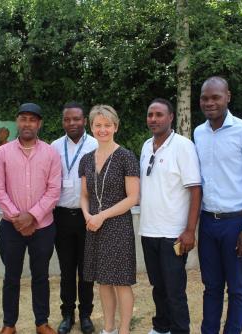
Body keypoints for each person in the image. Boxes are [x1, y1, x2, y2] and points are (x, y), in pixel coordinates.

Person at [194, 76, 242, 334]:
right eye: (205, 98)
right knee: (211, 286)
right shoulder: (198, 133)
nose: (209, 102)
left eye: (215, 97)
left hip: (236, 223)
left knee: (237, 288)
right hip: (207, 223)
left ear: (228, 97)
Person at [0, 102, 62, 334]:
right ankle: (9, 324)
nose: (27, 124)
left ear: (39, 124)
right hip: (11, 229)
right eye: (23, 119)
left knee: (41, 276)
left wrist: (32, 216)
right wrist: (17, 219)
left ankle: (41, 322)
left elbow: (54, 191)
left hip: (42, 227)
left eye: (32, 120)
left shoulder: (51, 153)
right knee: (11, 277)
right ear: (17, 122)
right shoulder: (2, 153)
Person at [139, 98, 202, 334]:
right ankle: (161, 327)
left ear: (171, 117)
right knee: (158, 286)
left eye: (159, 114)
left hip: (173, 235)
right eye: (150, 114)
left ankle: (179, 330)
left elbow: (195, 189)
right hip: (148, 231)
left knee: (175, 290)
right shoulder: (146, 146)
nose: (153, 119)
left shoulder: (183, 146)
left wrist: (189, 230)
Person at [78, 105, 140, 334]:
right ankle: (109, 328)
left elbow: (133, 197)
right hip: (93, 226)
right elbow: (84, 195)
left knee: (121, 282)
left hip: (117, 226)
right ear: (91, 127)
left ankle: (123, 330)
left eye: (107, 125)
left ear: (115, 127)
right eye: (98, 125)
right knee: (103, 281)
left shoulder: (126, 157)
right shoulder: (86, 159)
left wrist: (101, 215)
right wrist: (87, 215)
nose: (102, 129)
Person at [50, 102, 98, 334]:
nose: (72, 123)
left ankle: (86, 314)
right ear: (63, 122)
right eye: (67, 119)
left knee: (87, 270)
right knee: (66, 269)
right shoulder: (54, 146)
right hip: (61, 216)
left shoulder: (97, 145)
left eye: (76, 119)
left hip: (88, 217)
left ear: (85, 121)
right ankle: (67, 314)